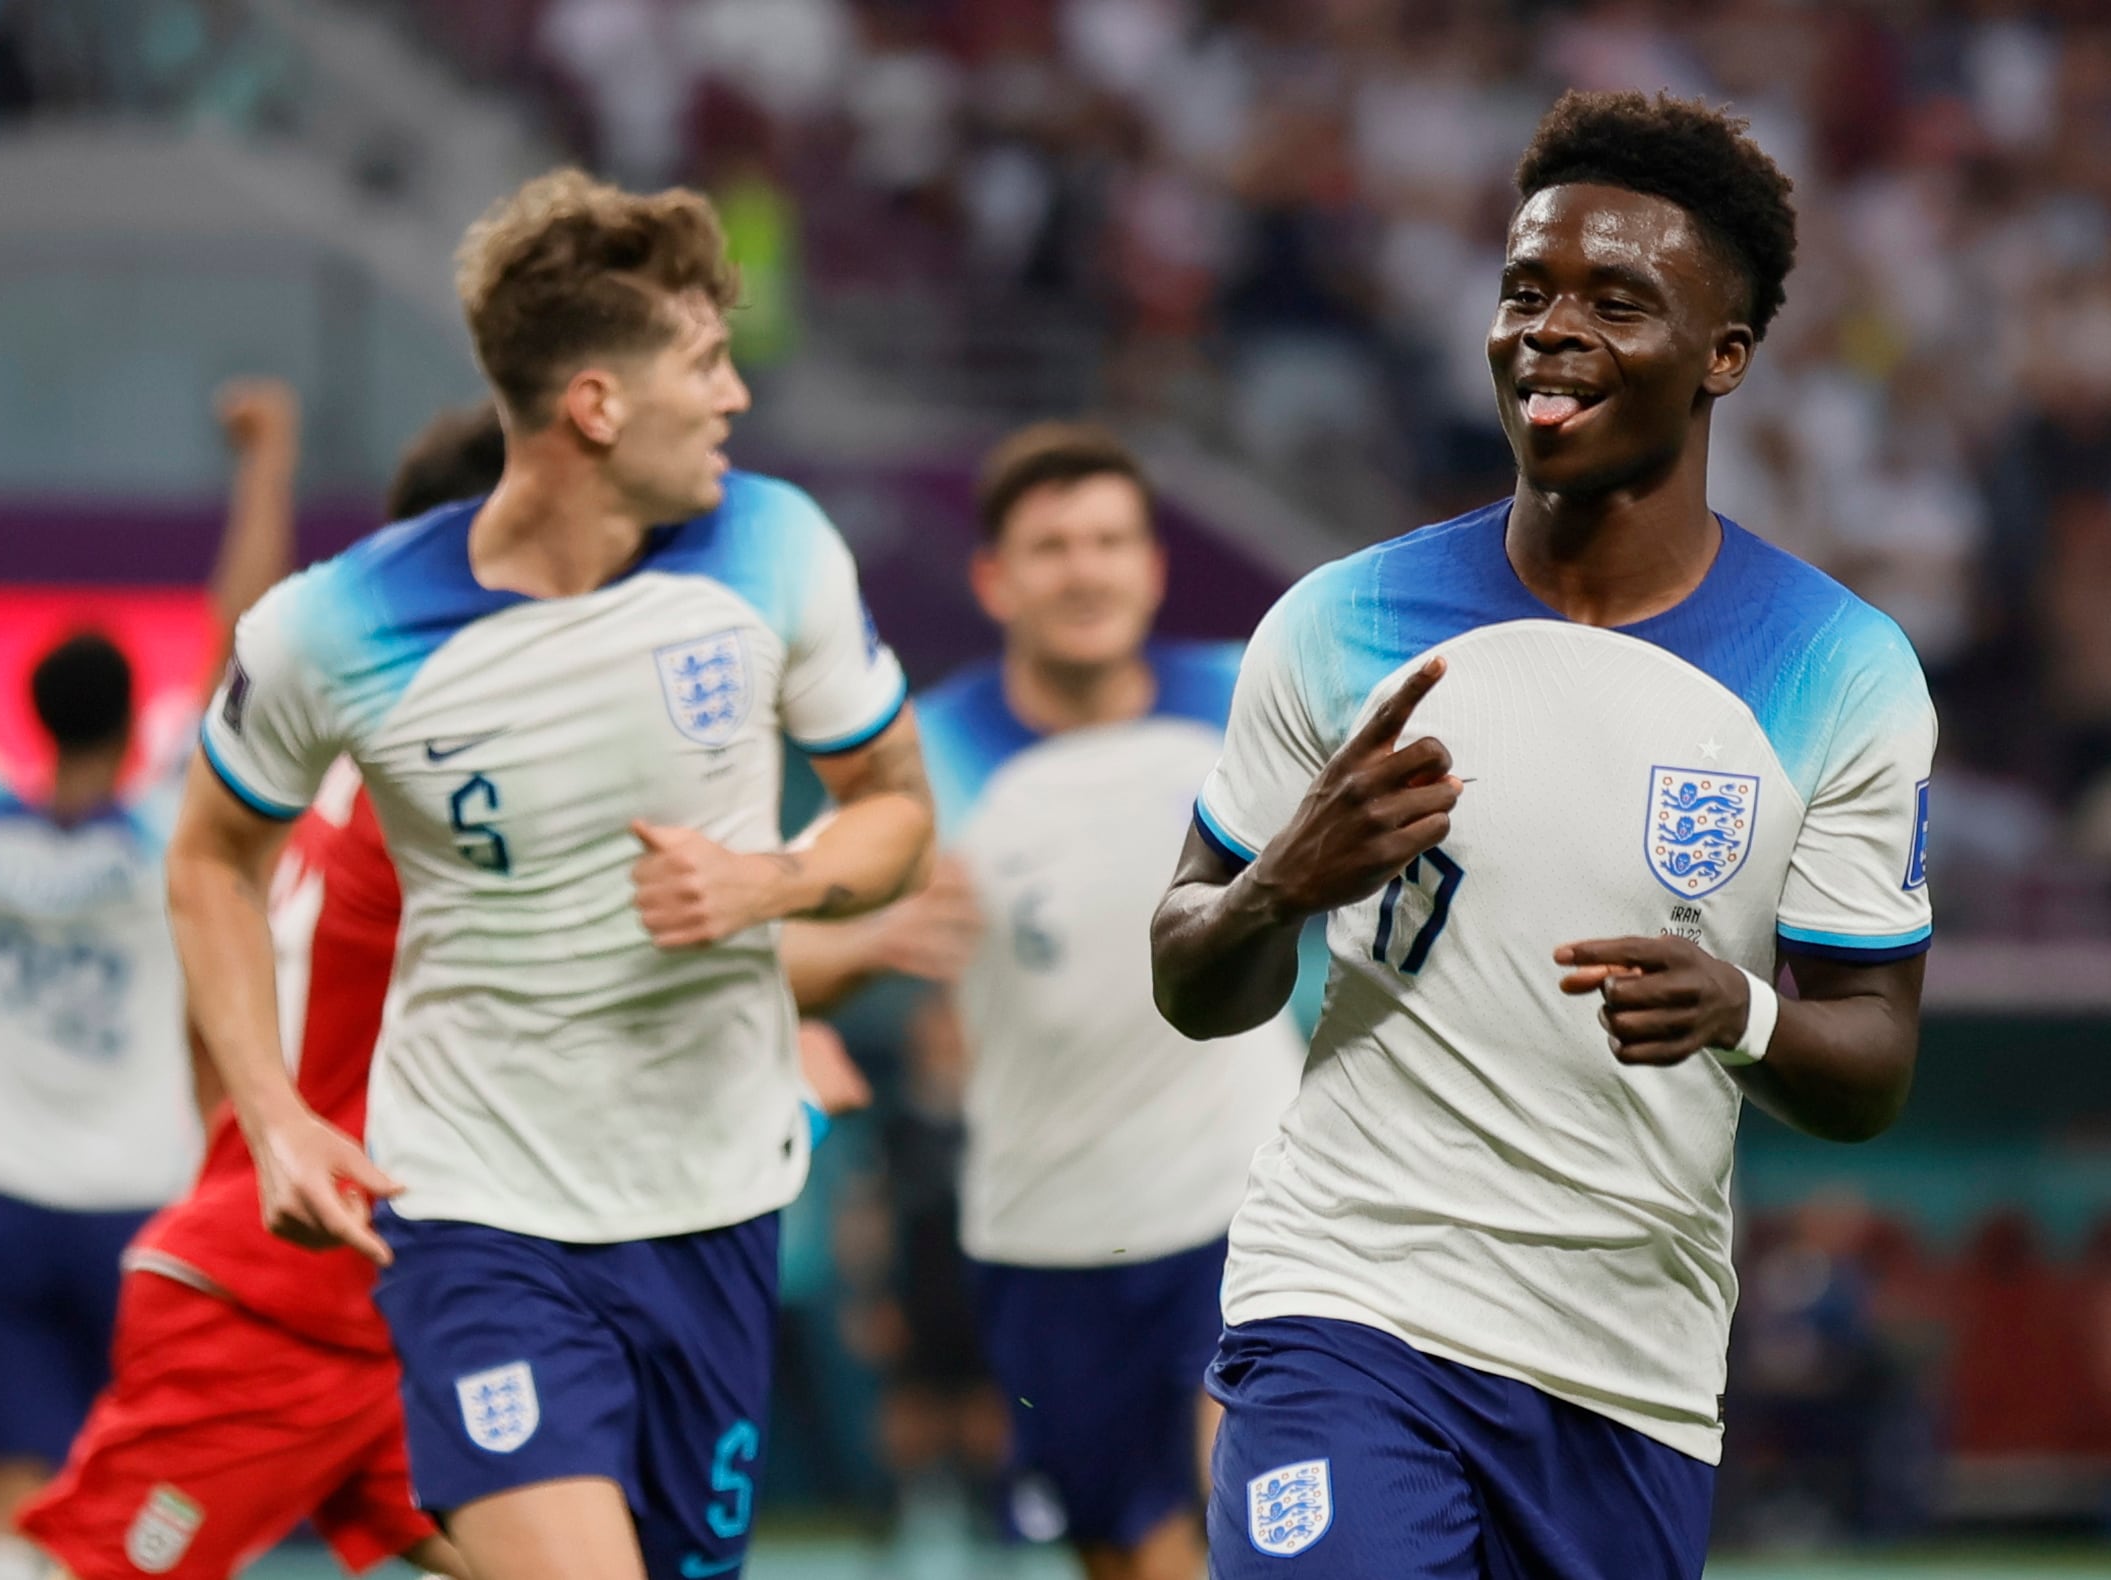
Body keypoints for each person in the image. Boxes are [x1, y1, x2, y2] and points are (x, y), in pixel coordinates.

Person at [1149, 91, 1935, 1580]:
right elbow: (1189, 976)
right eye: (1524, 292)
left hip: (1621, 1369)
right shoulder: (1338, 624)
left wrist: (1743, 1015)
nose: (1546, 329)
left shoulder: (1839, 670)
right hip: (1348, 1301)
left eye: (1612, 301)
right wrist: (1276, 889)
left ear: (1723, 357)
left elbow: (1869, 1062)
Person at [165, 170, 934, 1580]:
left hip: (712, 1201)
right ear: (594, 405)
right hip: (476, 1208)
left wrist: (771, 884)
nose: (732, 400)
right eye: (702, 366)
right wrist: (267, 1114)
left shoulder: (775, 551)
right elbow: (212, 857)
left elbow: (892, 810)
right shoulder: (335, 626)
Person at [17, 403, 877, 1580]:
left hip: (408, 1298)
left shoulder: (374, 766)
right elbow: (621, 966)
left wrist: (256, 1124)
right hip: (273, 1312)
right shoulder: (449, 795)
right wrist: (829, 989)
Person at [787, 423, 1304, 1580]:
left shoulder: (1247, 704)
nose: (1085, 568)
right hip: (1045, 1226)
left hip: (1251, 1202)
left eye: (1111, 540)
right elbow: (779, 959)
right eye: (1052, 544)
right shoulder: (925, 755)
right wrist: (874, 937)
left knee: (1256, 1519)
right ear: (994, 577)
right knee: (1120, 1549)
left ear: (1151, 565)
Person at [0, 378, 299, 1580]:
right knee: (158, 1502)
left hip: (6, 1211)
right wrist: (267, 458)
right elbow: (237, 631)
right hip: (146, 1211)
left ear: (30, 716)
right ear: (137, 717)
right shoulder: (161, 828)